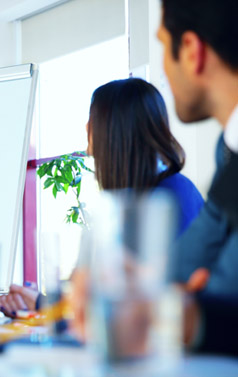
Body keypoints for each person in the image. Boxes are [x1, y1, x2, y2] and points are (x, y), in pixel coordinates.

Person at [0, 77, 204, 317]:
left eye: (92, 127)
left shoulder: (168, 201)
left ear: (112, 137)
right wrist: (40, 303)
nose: (88, 149)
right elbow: (98, 300)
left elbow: (139, 309)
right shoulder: (139, 200)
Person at [157, 0, 238, 354]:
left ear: (190, 51)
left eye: (162, 44)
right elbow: (177, 275)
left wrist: (187, 313)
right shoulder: (230, 147)